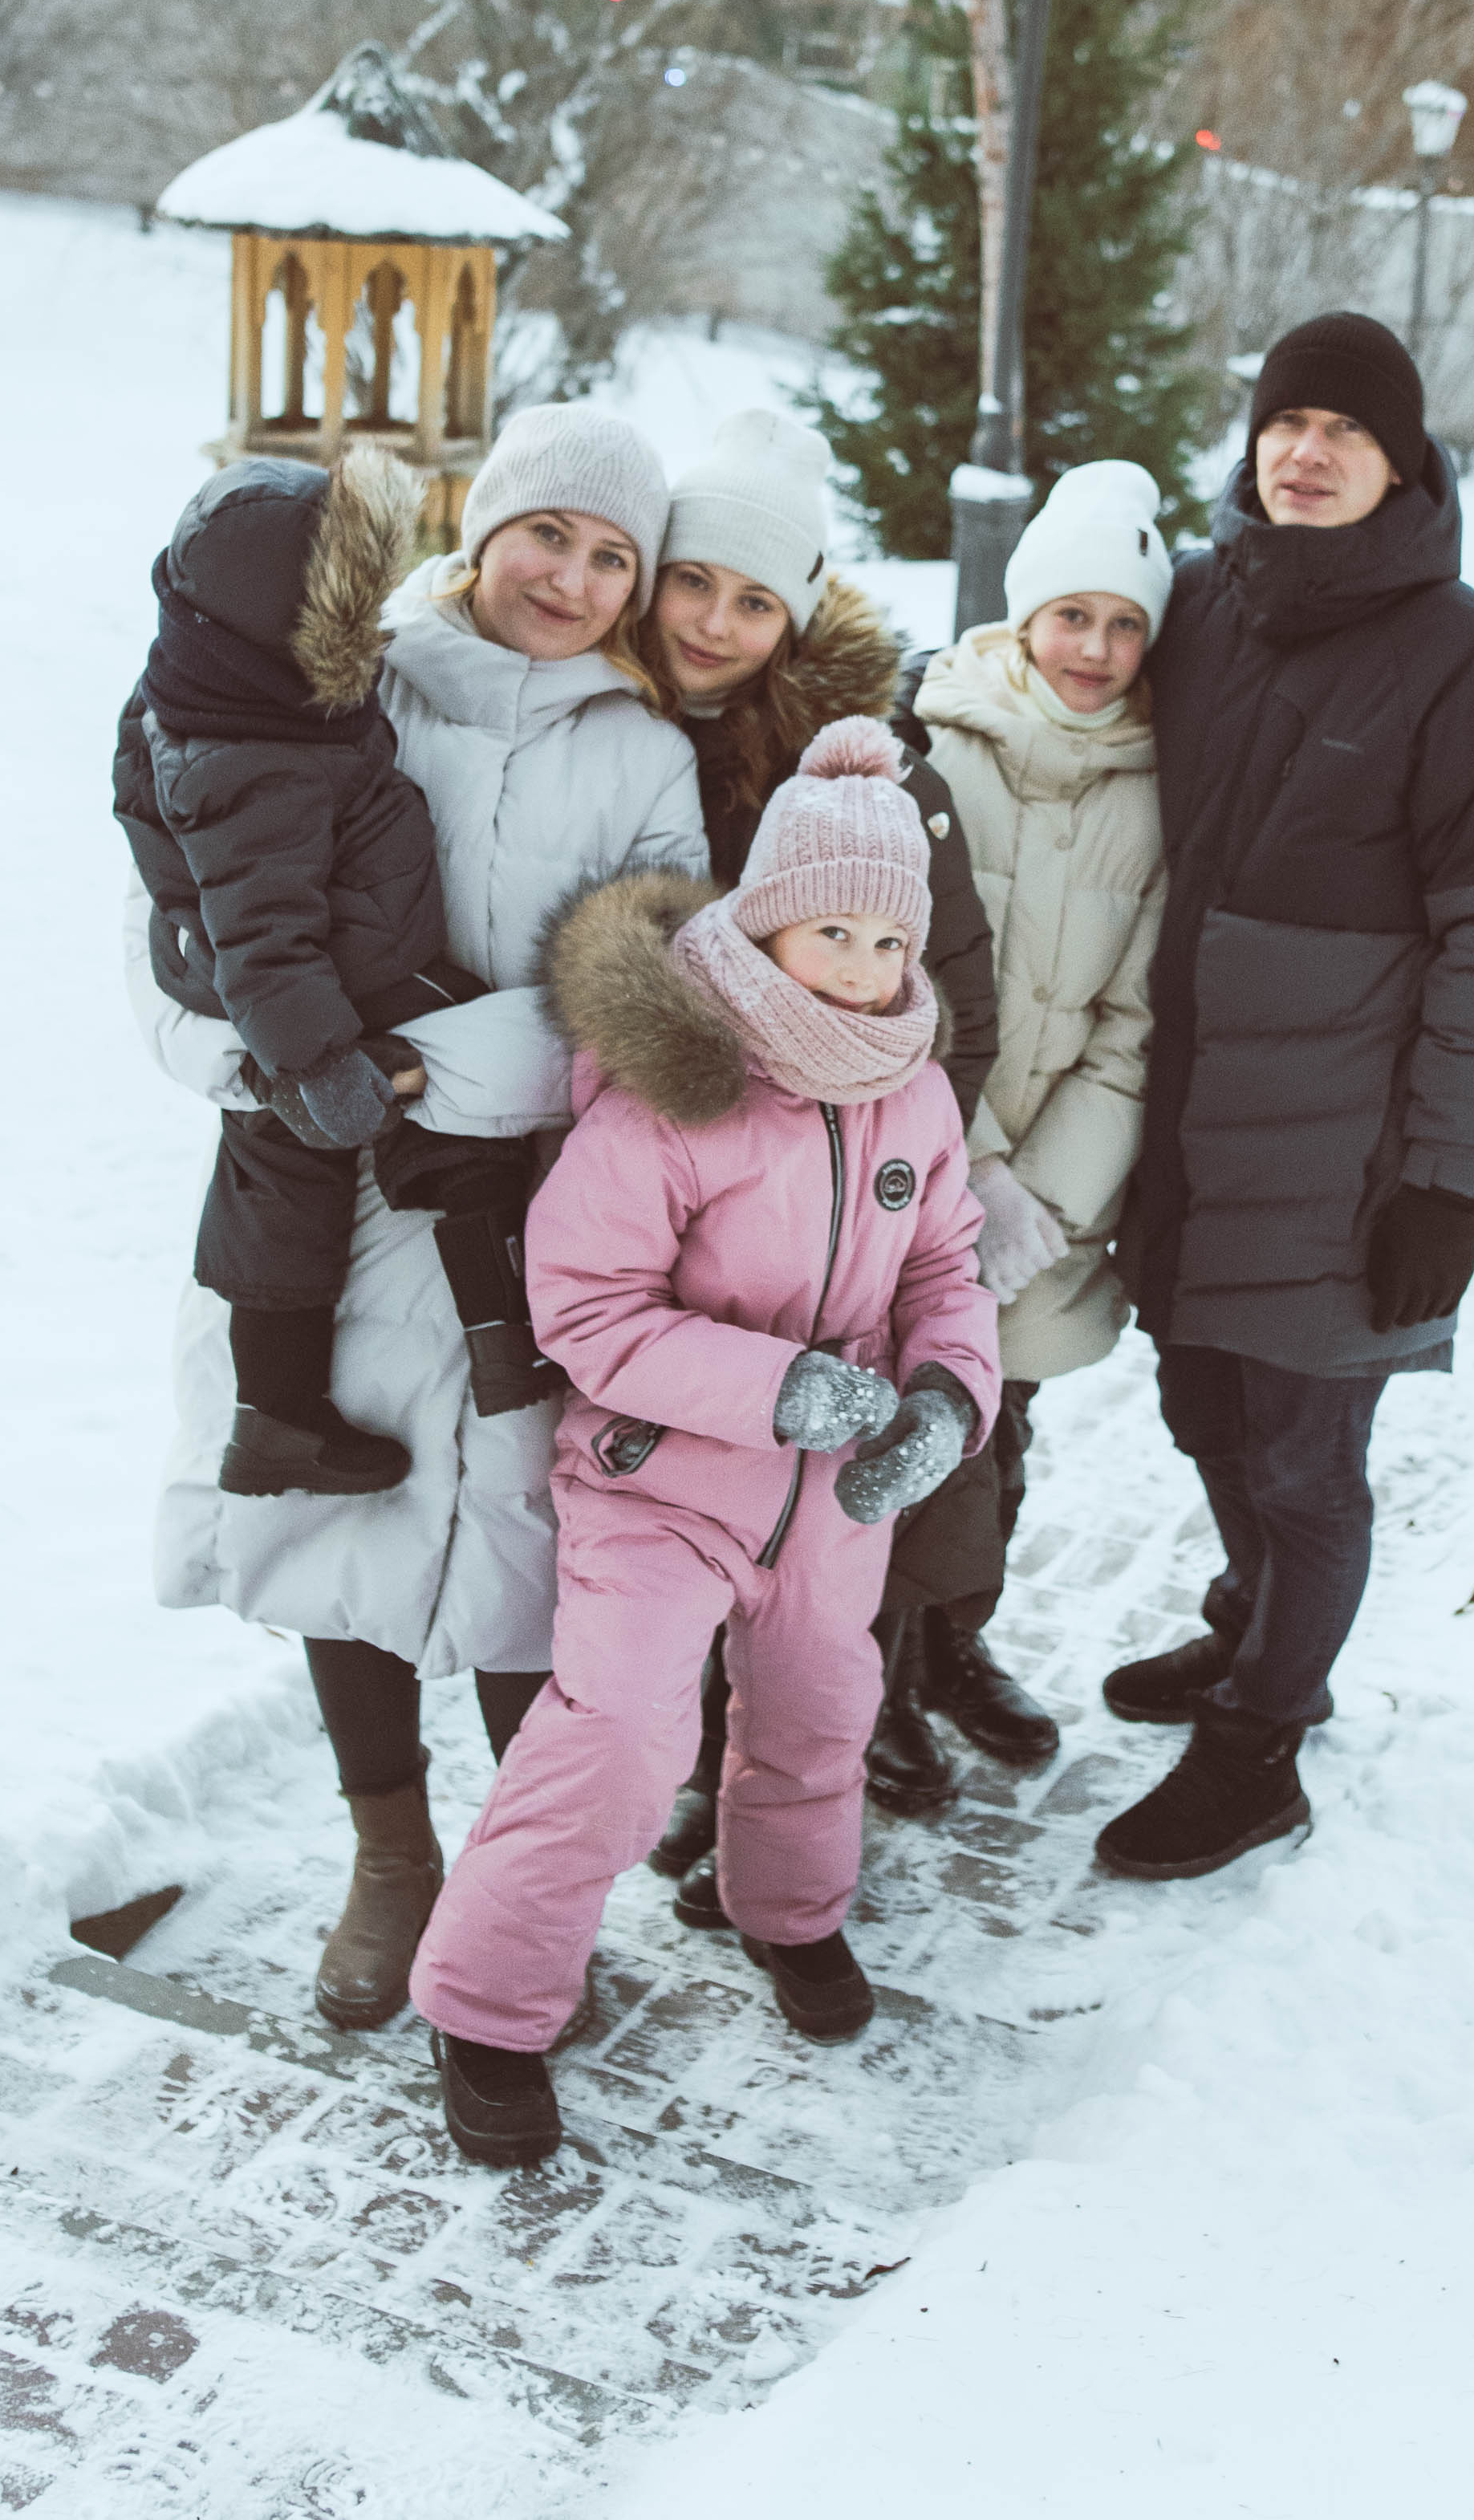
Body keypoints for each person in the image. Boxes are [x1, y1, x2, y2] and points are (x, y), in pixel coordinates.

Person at [123, 402, 707, 2030]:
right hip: (318, 1206)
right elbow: (180, 918)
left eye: (612, 556)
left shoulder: (644, 756)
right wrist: (247, 1062)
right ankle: (394, 1856)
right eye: (548, 533)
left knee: (529, 1553)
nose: (572, 576)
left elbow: (639, 997)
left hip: (521, 1211)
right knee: (345, 1534)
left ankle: (525, 1890)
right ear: (484, 526)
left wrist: (410, 1071)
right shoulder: (346, 679)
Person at [409, 717, 1001, 2167]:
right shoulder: (683, 1088)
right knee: (619, 1733)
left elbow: (945, 1264)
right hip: (663, 1481)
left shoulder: (908, 1081)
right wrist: (775, 1389)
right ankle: (487, 2007)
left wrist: (946, 1400)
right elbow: (588, 1308)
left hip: (836, 1492)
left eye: (887, 942)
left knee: (816, 1711)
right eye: (832, 934)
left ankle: (788, 1915)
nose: (864, 971)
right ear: (765, 923)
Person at [1102, 314, 1474, 1883]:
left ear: (1402, 463)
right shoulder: (1192, 608)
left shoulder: (1473, 659)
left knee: (1306, 1455)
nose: (1303, 453)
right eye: (1283, 421)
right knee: (1202, 1405)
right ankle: (1248, 1625)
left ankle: (1259, 1745)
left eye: (1344, 433)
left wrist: (1444, 1179)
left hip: (1346, 1147)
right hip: (1190, 1113)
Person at [631, 408, 1002, 1855]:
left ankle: (804, 1769)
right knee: (659, 1494)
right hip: (637, 1178)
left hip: (835, 1180)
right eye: (694, 581)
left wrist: (894, 1171)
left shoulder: (860, 769)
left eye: (755, 596)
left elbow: (941, 977)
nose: (716, 622)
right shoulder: (587, 706)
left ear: (797, 614)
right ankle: (676, 1763)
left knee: (830, 1505)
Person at [113, 449, 558, 1506]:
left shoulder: (219, 690)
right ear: (281, 626)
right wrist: (317, 1061)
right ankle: (507, 1343)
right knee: (459, 1145)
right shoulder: (257, 752)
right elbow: (263, 928)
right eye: (343, 612)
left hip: (305, 966)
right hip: (338, 972)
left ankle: (272, 1416)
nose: (367, 635)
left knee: (275, 1170)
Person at [888, 461, 1171, 1777]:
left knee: (1000, 1433)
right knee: (899, 1432)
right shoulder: (935, 751)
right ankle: (866, 1681)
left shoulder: (1156, 789)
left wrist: (1044, 1192)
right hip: (910, 1155)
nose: (1096, 651)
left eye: (1125, 625)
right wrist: (974, 1162)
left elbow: (1135, 1020)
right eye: (1073, 617)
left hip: (1047, 1189)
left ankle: (951, 1647)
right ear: (1022, 617)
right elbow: (882, 979)